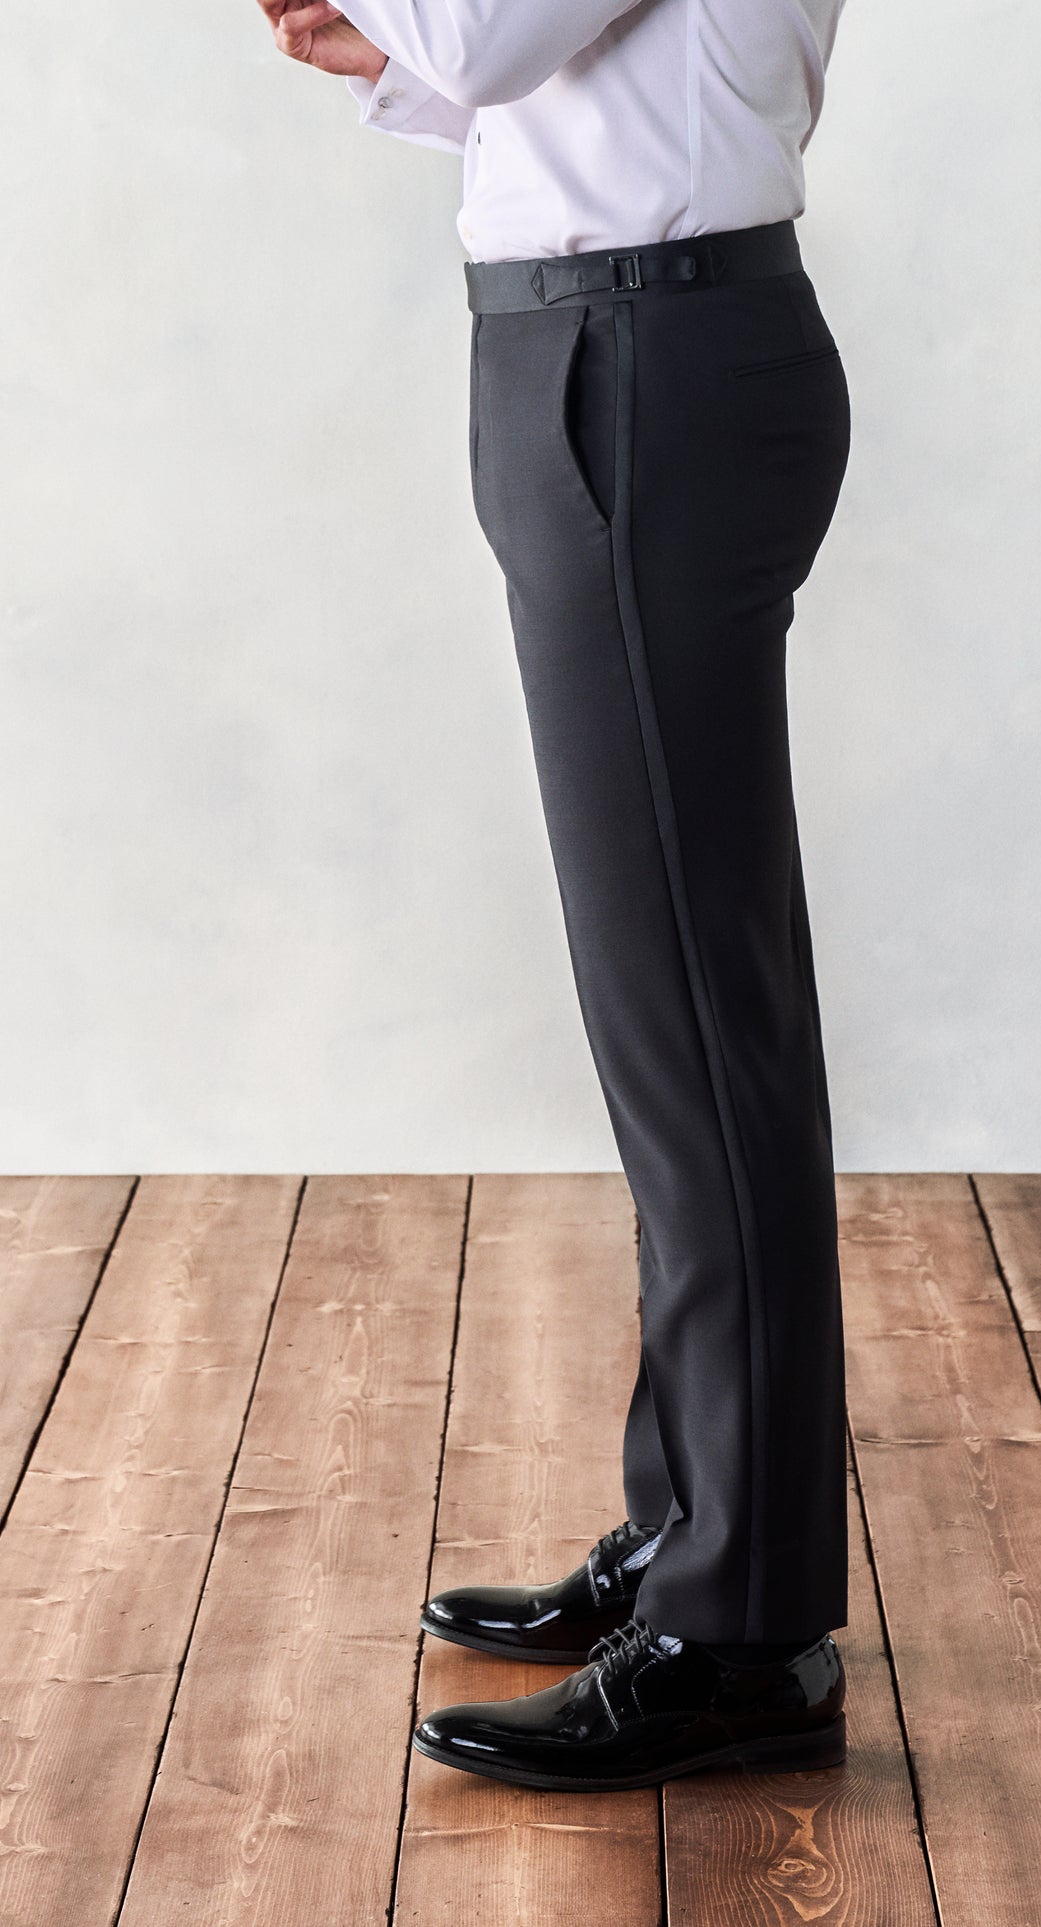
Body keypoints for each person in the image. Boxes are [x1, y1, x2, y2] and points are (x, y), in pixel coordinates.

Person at [258, 0, 852, 1793]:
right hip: (610, 348)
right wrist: (390, 50)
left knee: (690, 1013)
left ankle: (741, 1629)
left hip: (643, 361)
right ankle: (696, 1533)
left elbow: (495, 35)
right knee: (672, 1004)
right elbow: (509, 75)